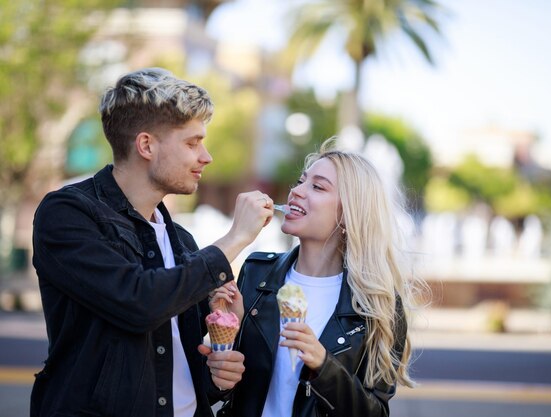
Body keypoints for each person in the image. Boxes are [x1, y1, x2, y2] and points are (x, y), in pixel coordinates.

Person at [30, 67, 274, 417]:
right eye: (192, 142)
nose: (206, 156)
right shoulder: (67, 214)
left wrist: (218, 371)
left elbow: (174, 368)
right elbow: (137, 302)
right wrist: (235, 239)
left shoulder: (183, 242)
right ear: (146, 145)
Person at [208, 138, 426, 417]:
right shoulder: (256, 273)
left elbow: (375, 412)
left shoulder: (376, 303)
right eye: (300, 182)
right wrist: (222, 357)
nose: (297, 191)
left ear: (348, 214)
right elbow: (215, 388)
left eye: (318, 186)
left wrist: (323, 365)